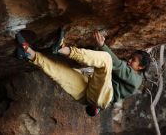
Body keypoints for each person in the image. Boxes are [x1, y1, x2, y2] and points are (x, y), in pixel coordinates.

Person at [15, 28, 151, 117]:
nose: (129, 61)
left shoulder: (136, 80)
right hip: (88, 93)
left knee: (107, 59)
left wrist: (102, 46)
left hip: (102, 97)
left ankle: (62, 48)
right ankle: (28, 53)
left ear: (140, 67)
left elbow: (118, 66)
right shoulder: (128, 73)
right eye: (130, 58)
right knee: (60, 72)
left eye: (133, 60)